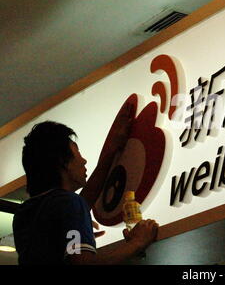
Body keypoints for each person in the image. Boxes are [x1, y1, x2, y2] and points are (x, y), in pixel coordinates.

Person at [13, 108, 159, 265]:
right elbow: (82, 263)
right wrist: (137, 243)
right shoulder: (69, 203)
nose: (84, 161)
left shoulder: (25, 214)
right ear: (64, 162)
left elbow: (83, 200)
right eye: (77, 153)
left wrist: (112, 149)